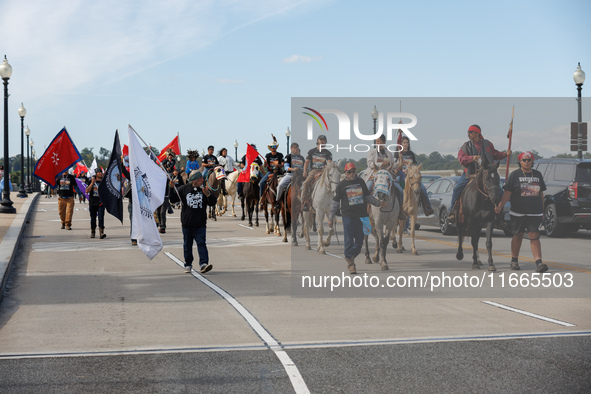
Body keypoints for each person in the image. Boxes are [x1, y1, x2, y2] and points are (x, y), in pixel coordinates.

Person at [495, 151, 548, 273]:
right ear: (520, 162)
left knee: (534, 235)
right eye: (524, 160)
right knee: (518, 235)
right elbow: (507, 192)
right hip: (518, 212)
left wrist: (543, 210)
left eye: (529, 160)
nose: (527, 162)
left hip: (535, 212)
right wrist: (500, 206)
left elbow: (541, 193)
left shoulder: (538, 174)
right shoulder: (514, 175)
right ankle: (514, 260)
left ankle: (539, 262)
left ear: (532, 161)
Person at [447, 124, 511, 223]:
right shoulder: (466, 146)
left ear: (477, 133)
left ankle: (499, 213)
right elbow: (461, 159)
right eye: (468, 132)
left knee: (499, 191)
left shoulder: (487, 144)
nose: (468, 134)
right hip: (470, 173)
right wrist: (472, 158)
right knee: (457, 189)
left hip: (487, 172)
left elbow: (494, 154)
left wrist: (504, 154)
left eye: (470, 132)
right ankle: (453, 211)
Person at [328, 162, 383, 274]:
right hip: (348, 216)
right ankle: (350, 263)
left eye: (353, 171)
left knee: (359, 241)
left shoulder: (361, 182)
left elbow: (368, 197)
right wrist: (330, 217)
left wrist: (379, 203)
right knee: (348, 240)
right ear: (346, 173)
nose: (352, 173)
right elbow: (335, 202)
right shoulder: (341, 185)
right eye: (349, 172)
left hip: (362, 216)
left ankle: (350, 256)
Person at [169, 170, 217, 274]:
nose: (203, 181)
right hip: (187, 223)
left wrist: (208, 194)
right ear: (195, 180)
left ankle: (204, 264)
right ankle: (188, 264)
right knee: (187, 244)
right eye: (200, 179)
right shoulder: (183, 189)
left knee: (201, 243)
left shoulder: (204, 190)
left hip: (200, 224)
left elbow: (213, 202)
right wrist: (171, 188)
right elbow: (172, 200)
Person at [393, 135, 434, 220]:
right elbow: (396, 165)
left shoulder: (411, 154)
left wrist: (413, 170)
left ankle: (427, 207)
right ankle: (397, 205)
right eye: (404, 143)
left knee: (422, 188)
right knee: (395, 184)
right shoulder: (398, 153)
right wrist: (400, 169)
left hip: (411, 176)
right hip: (401, 175)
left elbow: (414, 164)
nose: (405, 144)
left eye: (407, 143)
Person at [301, 135, 333, 211]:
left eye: (324, 140)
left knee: (334, 184)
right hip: (314, 170)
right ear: (317, 141)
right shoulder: (312, 151)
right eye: (320, 140)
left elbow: (329, 163)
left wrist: (323, 171)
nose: (322, 141)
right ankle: (304, 202)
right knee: (306, 183)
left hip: (324, 171)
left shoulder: (328, 153)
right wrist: (305, 171)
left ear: (325, 142)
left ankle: (336, 204)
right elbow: (307, 162)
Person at [275, 142, 305, 211]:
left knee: (309, 185)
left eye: (297, 148)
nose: (296, 149)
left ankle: (307, 203)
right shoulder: (288, 157)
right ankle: (278, 202)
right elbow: (286, 167)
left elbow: (305, 167)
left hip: (300, 175)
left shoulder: (302, 158)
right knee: (280, 185)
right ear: (291, 148)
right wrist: (293, 169)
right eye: (294, 148)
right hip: (290, 175)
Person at [259, 135, 284, 204]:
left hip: (278, 172)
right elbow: (264, 166)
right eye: (272, 147)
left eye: (274, 146)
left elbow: (283, 164)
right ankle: (262, 198)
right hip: (270, 172)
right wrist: (265, 163)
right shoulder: (268, 155)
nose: (273, 148)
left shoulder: (280, 155)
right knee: (261, 182)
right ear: (270, 148)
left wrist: (279, 165)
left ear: (276, 147)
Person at [86, 169, 107, 239]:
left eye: (101, 172)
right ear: (96, 174)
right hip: (93, 203)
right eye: (98, 172)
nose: (100, 173)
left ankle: (101, 232)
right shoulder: (91, 181)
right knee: (93, 218)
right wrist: (92, 183)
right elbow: (87, 191)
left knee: (101, 217)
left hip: (101, 203)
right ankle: (93, 231)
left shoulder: (104, 182)